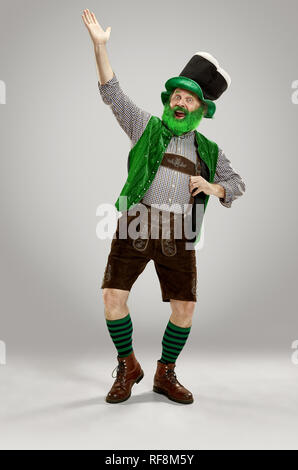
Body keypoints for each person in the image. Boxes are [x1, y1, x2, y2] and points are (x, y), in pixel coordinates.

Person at [82, 9, 246, 405]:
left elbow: (236, 184)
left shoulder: (208, 150)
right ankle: (128, 365)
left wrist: (212, 186)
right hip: (136, 222)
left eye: (189, 98)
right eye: (177, 94)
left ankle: (164, 373)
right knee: (112, 297)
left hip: (178, 233)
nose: (180, 101)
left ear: (201, 111)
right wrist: (100, 48)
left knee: (185, 308)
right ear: (168, 99)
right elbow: (112, 93)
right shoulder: (145, 127)